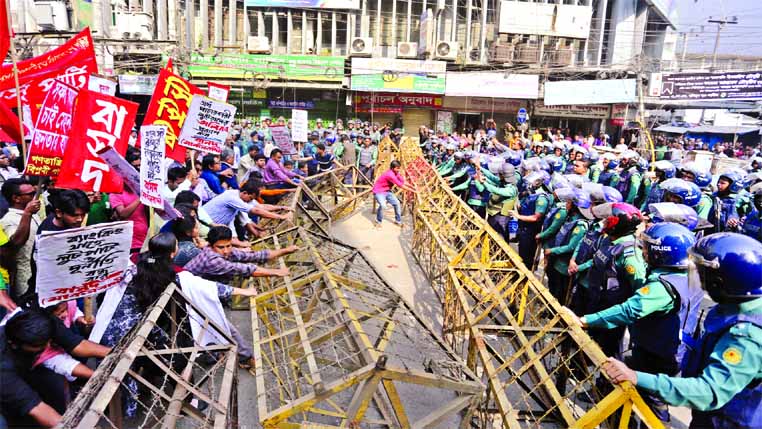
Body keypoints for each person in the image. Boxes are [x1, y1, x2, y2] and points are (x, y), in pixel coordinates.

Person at [603, 233, 762, 428]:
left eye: (703, 273)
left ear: (721, 281)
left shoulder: (747, 336)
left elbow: (709, 391)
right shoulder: (731, 306)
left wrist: (635, 376)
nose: (697, 278)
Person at [572, 222, 703, 422]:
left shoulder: (663, 287)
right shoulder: (685, 276)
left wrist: (586, 320)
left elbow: (629, 310)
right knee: (624, 383)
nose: (643, 252)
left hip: (658, 355)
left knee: (651, 403)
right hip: (664, 348)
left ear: (662, 253)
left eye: (647, 248)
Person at [0, 309, 109, 427]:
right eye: (40, 345)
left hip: (25, 368)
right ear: (14, 344)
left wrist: (115, 352)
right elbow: (37, 408)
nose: (47, 346)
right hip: (7, 381)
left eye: (48, 341)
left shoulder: (43, 321)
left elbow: (77, 344)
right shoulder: (3, 368)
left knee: (55, 384)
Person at [184, 226, 297, 282]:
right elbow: (245, 269)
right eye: (221, 247)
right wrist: (276, 272)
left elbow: (254, 256)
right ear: (211, 245)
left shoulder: (225, 250)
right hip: (186, 289)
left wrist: (285, 250)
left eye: (228, 246)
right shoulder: (213, 260)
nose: (226, 251)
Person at [544, 188, 592, 304]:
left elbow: (571, 247)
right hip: (557, 261)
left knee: (560, 292)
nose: (566, 204)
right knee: (553, 287)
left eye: (569, 203)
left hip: (564, 265)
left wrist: (552, 250)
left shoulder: (580, 226)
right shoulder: (570, 219)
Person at [202, 180, 293, 237]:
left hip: (214, 227)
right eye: (250, 198)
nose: (250, 201)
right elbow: (256, 211)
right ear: (245, 193)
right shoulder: (232, 198)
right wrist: (282, 217)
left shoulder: (240, 199)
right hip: (204, 225)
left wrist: (282, 208)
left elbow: (260, 207)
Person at [0, 178, 41, 300]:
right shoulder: (8, 220)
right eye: (31, 194)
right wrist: (27, 214)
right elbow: (16, 242)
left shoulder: (35, 214)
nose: (35, 196)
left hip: (39, 274)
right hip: (25, 278)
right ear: (16, 198)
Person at [510, 170, 552, 269]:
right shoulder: (532, 193)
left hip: (530, 231)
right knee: (521, 253)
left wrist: (518, 216)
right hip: (524, 228)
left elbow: (536, 217)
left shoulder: (542, 198)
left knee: (526, 256)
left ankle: (525, 276)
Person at [111, 182, 150, 261]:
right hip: (130, 241)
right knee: (133, 264)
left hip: (145, 238)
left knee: (149, 262)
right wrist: (140, 199)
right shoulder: (115, 194)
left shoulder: (139, 191)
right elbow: (123, 214)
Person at [371, 160, 416, 228]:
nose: (399, 169)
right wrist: (414, 191)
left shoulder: (396, 173)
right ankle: (378, 221)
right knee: (383, 206)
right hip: (379, 191)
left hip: (387, 191)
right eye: (397, 168)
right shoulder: (390, 175)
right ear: (392, 168)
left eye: (399, 168)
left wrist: (413, 187)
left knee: (397, 203)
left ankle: (398, 221)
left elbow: (403, 182)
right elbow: (400, 185)